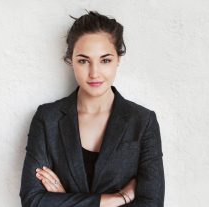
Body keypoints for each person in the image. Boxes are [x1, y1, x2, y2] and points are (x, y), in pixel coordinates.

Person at [19, 10, 165, 207]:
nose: (94, 73)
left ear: (118, 59)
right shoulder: (48, 118)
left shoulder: (142, 121)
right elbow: (33, 200)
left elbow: (152, 204)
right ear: (71, 61)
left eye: (105, 60)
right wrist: (115, 199)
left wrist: (65, 200)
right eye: (83, 61)